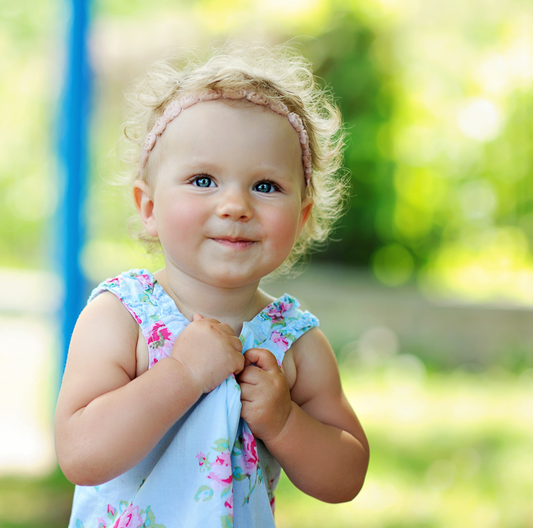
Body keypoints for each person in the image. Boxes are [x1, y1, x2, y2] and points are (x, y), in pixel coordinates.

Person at [54, 44, 369, 528]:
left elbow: (346, 476)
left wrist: (285, 421)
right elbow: (80, 455)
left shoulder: (294, 342)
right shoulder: (122, 316)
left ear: (302, 217)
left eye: (265, 186)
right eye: (203, 180)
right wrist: (182, 373)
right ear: (149, 207)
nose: (235, 205)